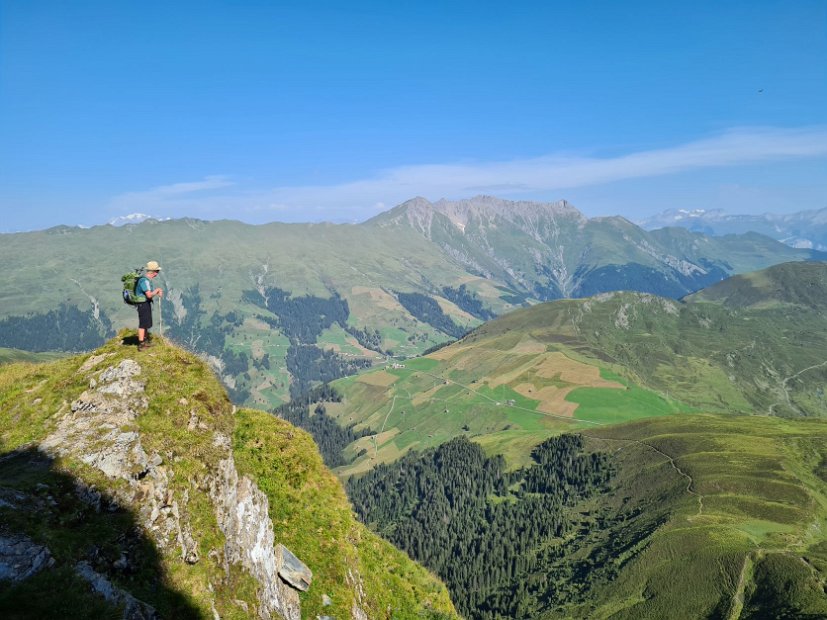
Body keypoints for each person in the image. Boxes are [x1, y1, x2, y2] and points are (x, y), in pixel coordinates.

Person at [136, 260, 164, 350]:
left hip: (145, 303)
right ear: (153, 272)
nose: (157, 273)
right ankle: (141, 344)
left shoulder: (146, 280)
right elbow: (149, 295)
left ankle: (145, 341)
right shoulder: (145, 281)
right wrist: (157, 290)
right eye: (157, 271)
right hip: (143, 304)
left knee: (146, 322)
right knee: (143, 323)